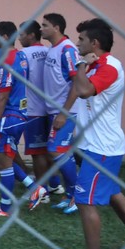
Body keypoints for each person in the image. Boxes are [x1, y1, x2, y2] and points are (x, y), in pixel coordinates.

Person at [62, 18, 125, 249]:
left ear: (94, 43)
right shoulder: (96, 65)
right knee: (113, 195)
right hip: (96, 144)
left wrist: (79, 65)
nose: (77, 43)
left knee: (84, 200)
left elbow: (84, 91)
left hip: (102, 148)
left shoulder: (109, 67)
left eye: (81, 40)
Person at [0, 22, 47, 217]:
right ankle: (34, 188)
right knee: (3, 156)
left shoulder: (7, 61)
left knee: (1, 158)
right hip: (20, 113)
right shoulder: (19, 55)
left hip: (10, 115)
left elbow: (3, 97)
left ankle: (5, 207)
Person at [18, 21, 63, 198]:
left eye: (22, 35)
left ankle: (41, 190)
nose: (19, 38)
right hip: (51, 109)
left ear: (30, 35)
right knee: (50, 150)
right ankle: (55, 184)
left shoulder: (23, 54)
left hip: (33, 109)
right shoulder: (49, 51)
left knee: (37, 153)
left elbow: (20, 80)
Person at [41, 13, 80, 214]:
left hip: (65, 111)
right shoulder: (52, 49)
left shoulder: (67, 50)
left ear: (56, 28)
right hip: (52, 110)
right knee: (63, 152)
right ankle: (70, 194)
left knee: (56, 149)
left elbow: (77, 82)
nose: (41, 29)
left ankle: (77, 197)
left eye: (44, 25)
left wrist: (64, 113)